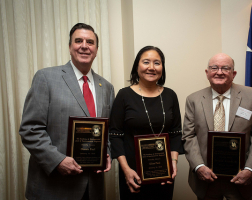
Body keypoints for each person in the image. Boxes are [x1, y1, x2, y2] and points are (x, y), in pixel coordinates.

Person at [19, 23, 114, 200]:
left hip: (93, 188)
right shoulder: (46, 78)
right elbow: (30, 129)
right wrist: (57, 161)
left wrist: (107, 153)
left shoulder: (106, 87)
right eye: (78, 41)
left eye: (90, 42)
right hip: (53, 187)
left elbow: (107, 131)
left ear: (96, 49)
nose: (84, 45)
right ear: (70, 47)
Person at [182, 53, 252, 200]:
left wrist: (250, 169)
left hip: (241, 179)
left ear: (233, 73)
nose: (219, 72)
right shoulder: (193, 100)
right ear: (207, 73)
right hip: (206, 179)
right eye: (214, 68)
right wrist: (199, 167)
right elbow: (189, 137)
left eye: (225, 68)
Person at [109, 46, 184, 200]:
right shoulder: (124, 95)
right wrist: (126, 170)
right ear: (137, 66)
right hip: (132, 173)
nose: (151, 67)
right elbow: (115, 134)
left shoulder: (170, 95)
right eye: (146, 62)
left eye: (157, 63)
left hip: (163, 173)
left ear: (162, 68)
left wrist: (174, 162)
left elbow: (176, 133)